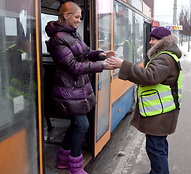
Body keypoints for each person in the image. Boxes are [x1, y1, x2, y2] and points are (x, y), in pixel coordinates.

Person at [45, 2, 114, 174]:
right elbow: (73, 66)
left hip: (77, 88)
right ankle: (74, 166)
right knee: (82, 125)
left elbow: (87, 52)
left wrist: (101, 54)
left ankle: (62, 159)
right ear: (66, 15)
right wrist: (102, 65)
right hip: (67, 89)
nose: (79, 20)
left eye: (80, 17)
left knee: (78, 125)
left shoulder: (72, 35)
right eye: (76, 16)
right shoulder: (57, 38)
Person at [106, 27, 182, 174]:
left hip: (160, 114)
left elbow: (149, 76)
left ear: (162, 41)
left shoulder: (165, 58)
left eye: (153, 39)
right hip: (163, 112)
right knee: (159, 147)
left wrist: (123, 64)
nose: (150, 42)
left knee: (155, 149)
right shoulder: (167, 56)